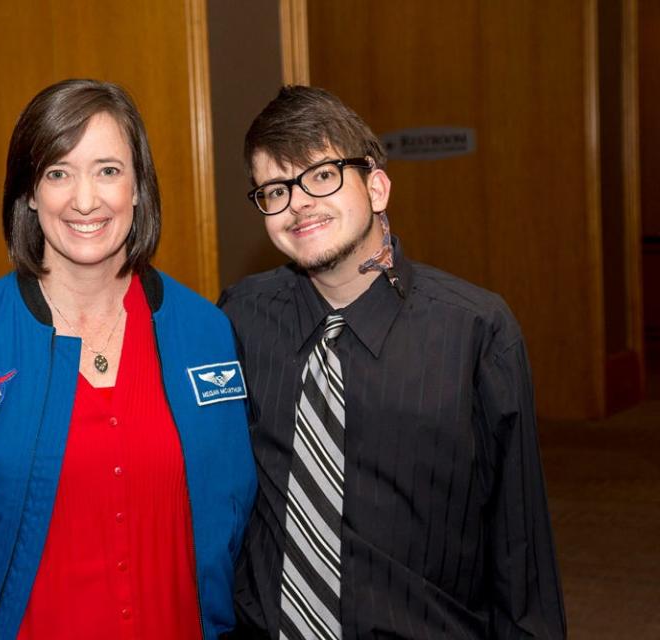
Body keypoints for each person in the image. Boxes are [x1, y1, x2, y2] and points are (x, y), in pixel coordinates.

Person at [0, 79, 256, 640]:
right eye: (58, 172)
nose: (85, 199)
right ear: (28, 192)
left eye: (108, 170)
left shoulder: (206, 334)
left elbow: (243, 532)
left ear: (138, 187)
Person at [219, 86, 566, 639]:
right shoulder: (239, 317)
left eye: (323, 176)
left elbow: (518, 541)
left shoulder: (475, 329)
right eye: (276, 190)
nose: (299, 203)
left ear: (376, 186)